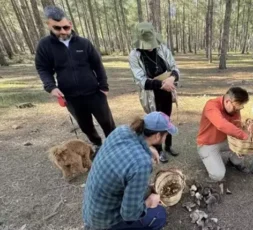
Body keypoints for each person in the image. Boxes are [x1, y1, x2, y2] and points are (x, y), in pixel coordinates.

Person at [35, 6, 115, 151]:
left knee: (107, 121)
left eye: (66, 27)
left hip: (94, 93)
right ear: (49, 25)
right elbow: (42, 68)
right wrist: (51, 86)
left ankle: (114, 144)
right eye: (57, 28)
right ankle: (97, 144)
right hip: (71, 97)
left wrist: (103, 87)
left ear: (70, 24)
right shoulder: (44, 46)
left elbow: (98, 65)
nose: (63, 31)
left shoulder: (84, 43)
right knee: (85, 125)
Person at [83, 111, 178, 230]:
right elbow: (129, 214)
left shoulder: (122, 130)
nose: (166, 137)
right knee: (159, 215)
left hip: (92, 209)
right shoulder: (141, 163)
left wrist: (149, 148)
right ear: (158, 136)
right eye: (166, 134)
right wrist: (149, 202)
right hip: (105, 222)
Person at [128, 22, 180, 163]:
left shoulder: (162, 48)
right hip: (151, 94)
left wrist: (172, 78)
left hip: (166, 92)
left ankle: (168, 145)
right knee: (155, 123)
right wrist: (163, 83)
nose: (150, 46)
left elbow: (174, 67)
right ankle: (159, 150)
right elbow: (141, 80)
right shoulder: (135, 55)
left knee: (167, 119)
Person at [197, 87, 250, 183]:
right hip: (207, 144)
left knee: (245, 145)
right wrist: (243, 136)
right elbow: (221, 125)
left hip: (226, 140)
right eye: (236, 107)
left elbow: (237, 126)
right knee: (218, 175)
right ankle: (207, 158)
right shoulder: (211, 105)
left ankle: (234, 161)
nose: (237, 110)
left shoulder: (235, 109)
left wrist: (242, 143)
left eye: (240, 108)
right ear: (228, 101)